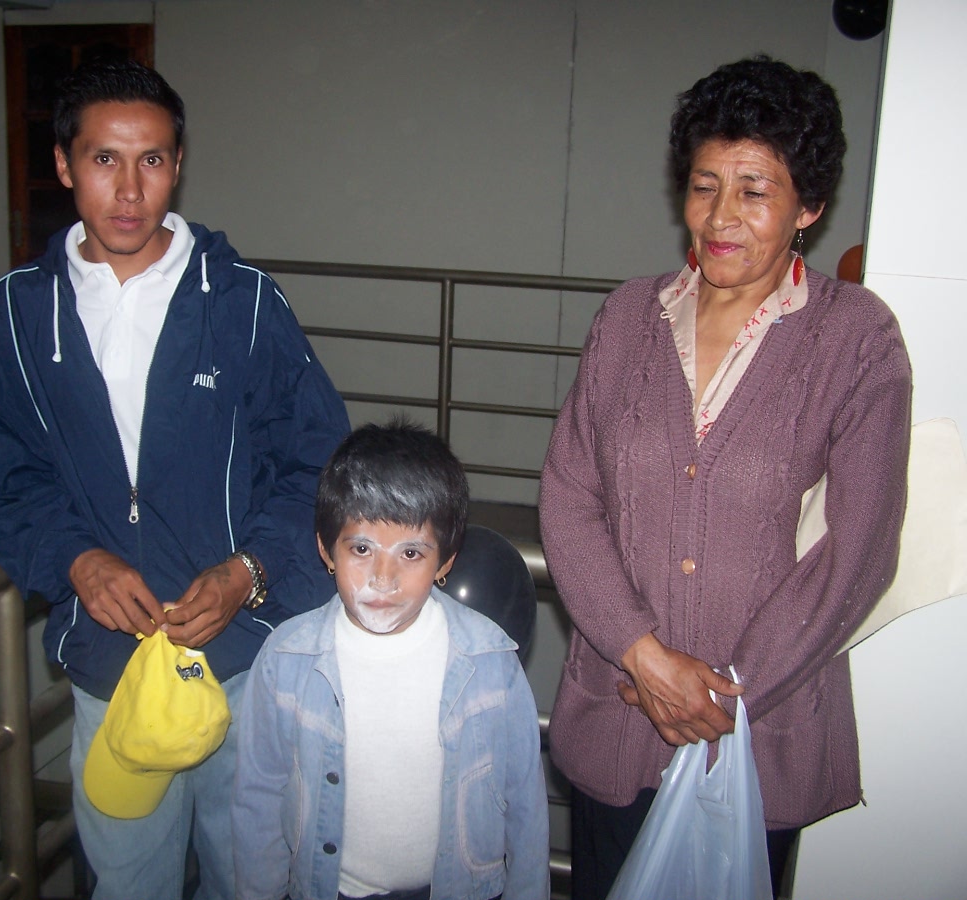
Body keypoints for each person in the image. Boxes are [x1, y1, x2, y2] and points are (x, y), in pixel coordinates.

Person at [0, 57, 349, 900]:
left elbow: (320, 464)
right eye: (104, 159)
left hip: (242, 660)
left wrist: (250, 571)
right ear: (65, 165)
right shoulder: (19, 312)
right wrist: (76, 559)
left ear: (178, 165)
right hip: (110, 665)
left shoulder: (244, 302)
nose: (130, 190)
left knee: (252, 878)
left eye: (152, 160)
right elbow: (4, 477)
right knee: (129, 881)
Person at [538, 56, 912, 900]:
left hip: (757, 742)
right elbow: (568, 496)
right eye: (705, 186)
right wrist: (644, 657)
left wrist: (725, 696)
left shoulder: (857, 339)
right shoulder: (629, 317)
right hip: (618, 711)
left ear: (809, 207)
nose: (720, 217)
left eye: (755, 190)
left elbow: (859, 548)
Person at [232, 421, 550, 900]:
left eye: (411, 553)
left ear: (445, 562)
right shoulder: (285, 660)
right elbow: (259, 799)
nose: (383, 578)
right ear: (326, 550)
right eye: (362, 549)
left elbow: (525, 807)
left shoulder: (491, 664)